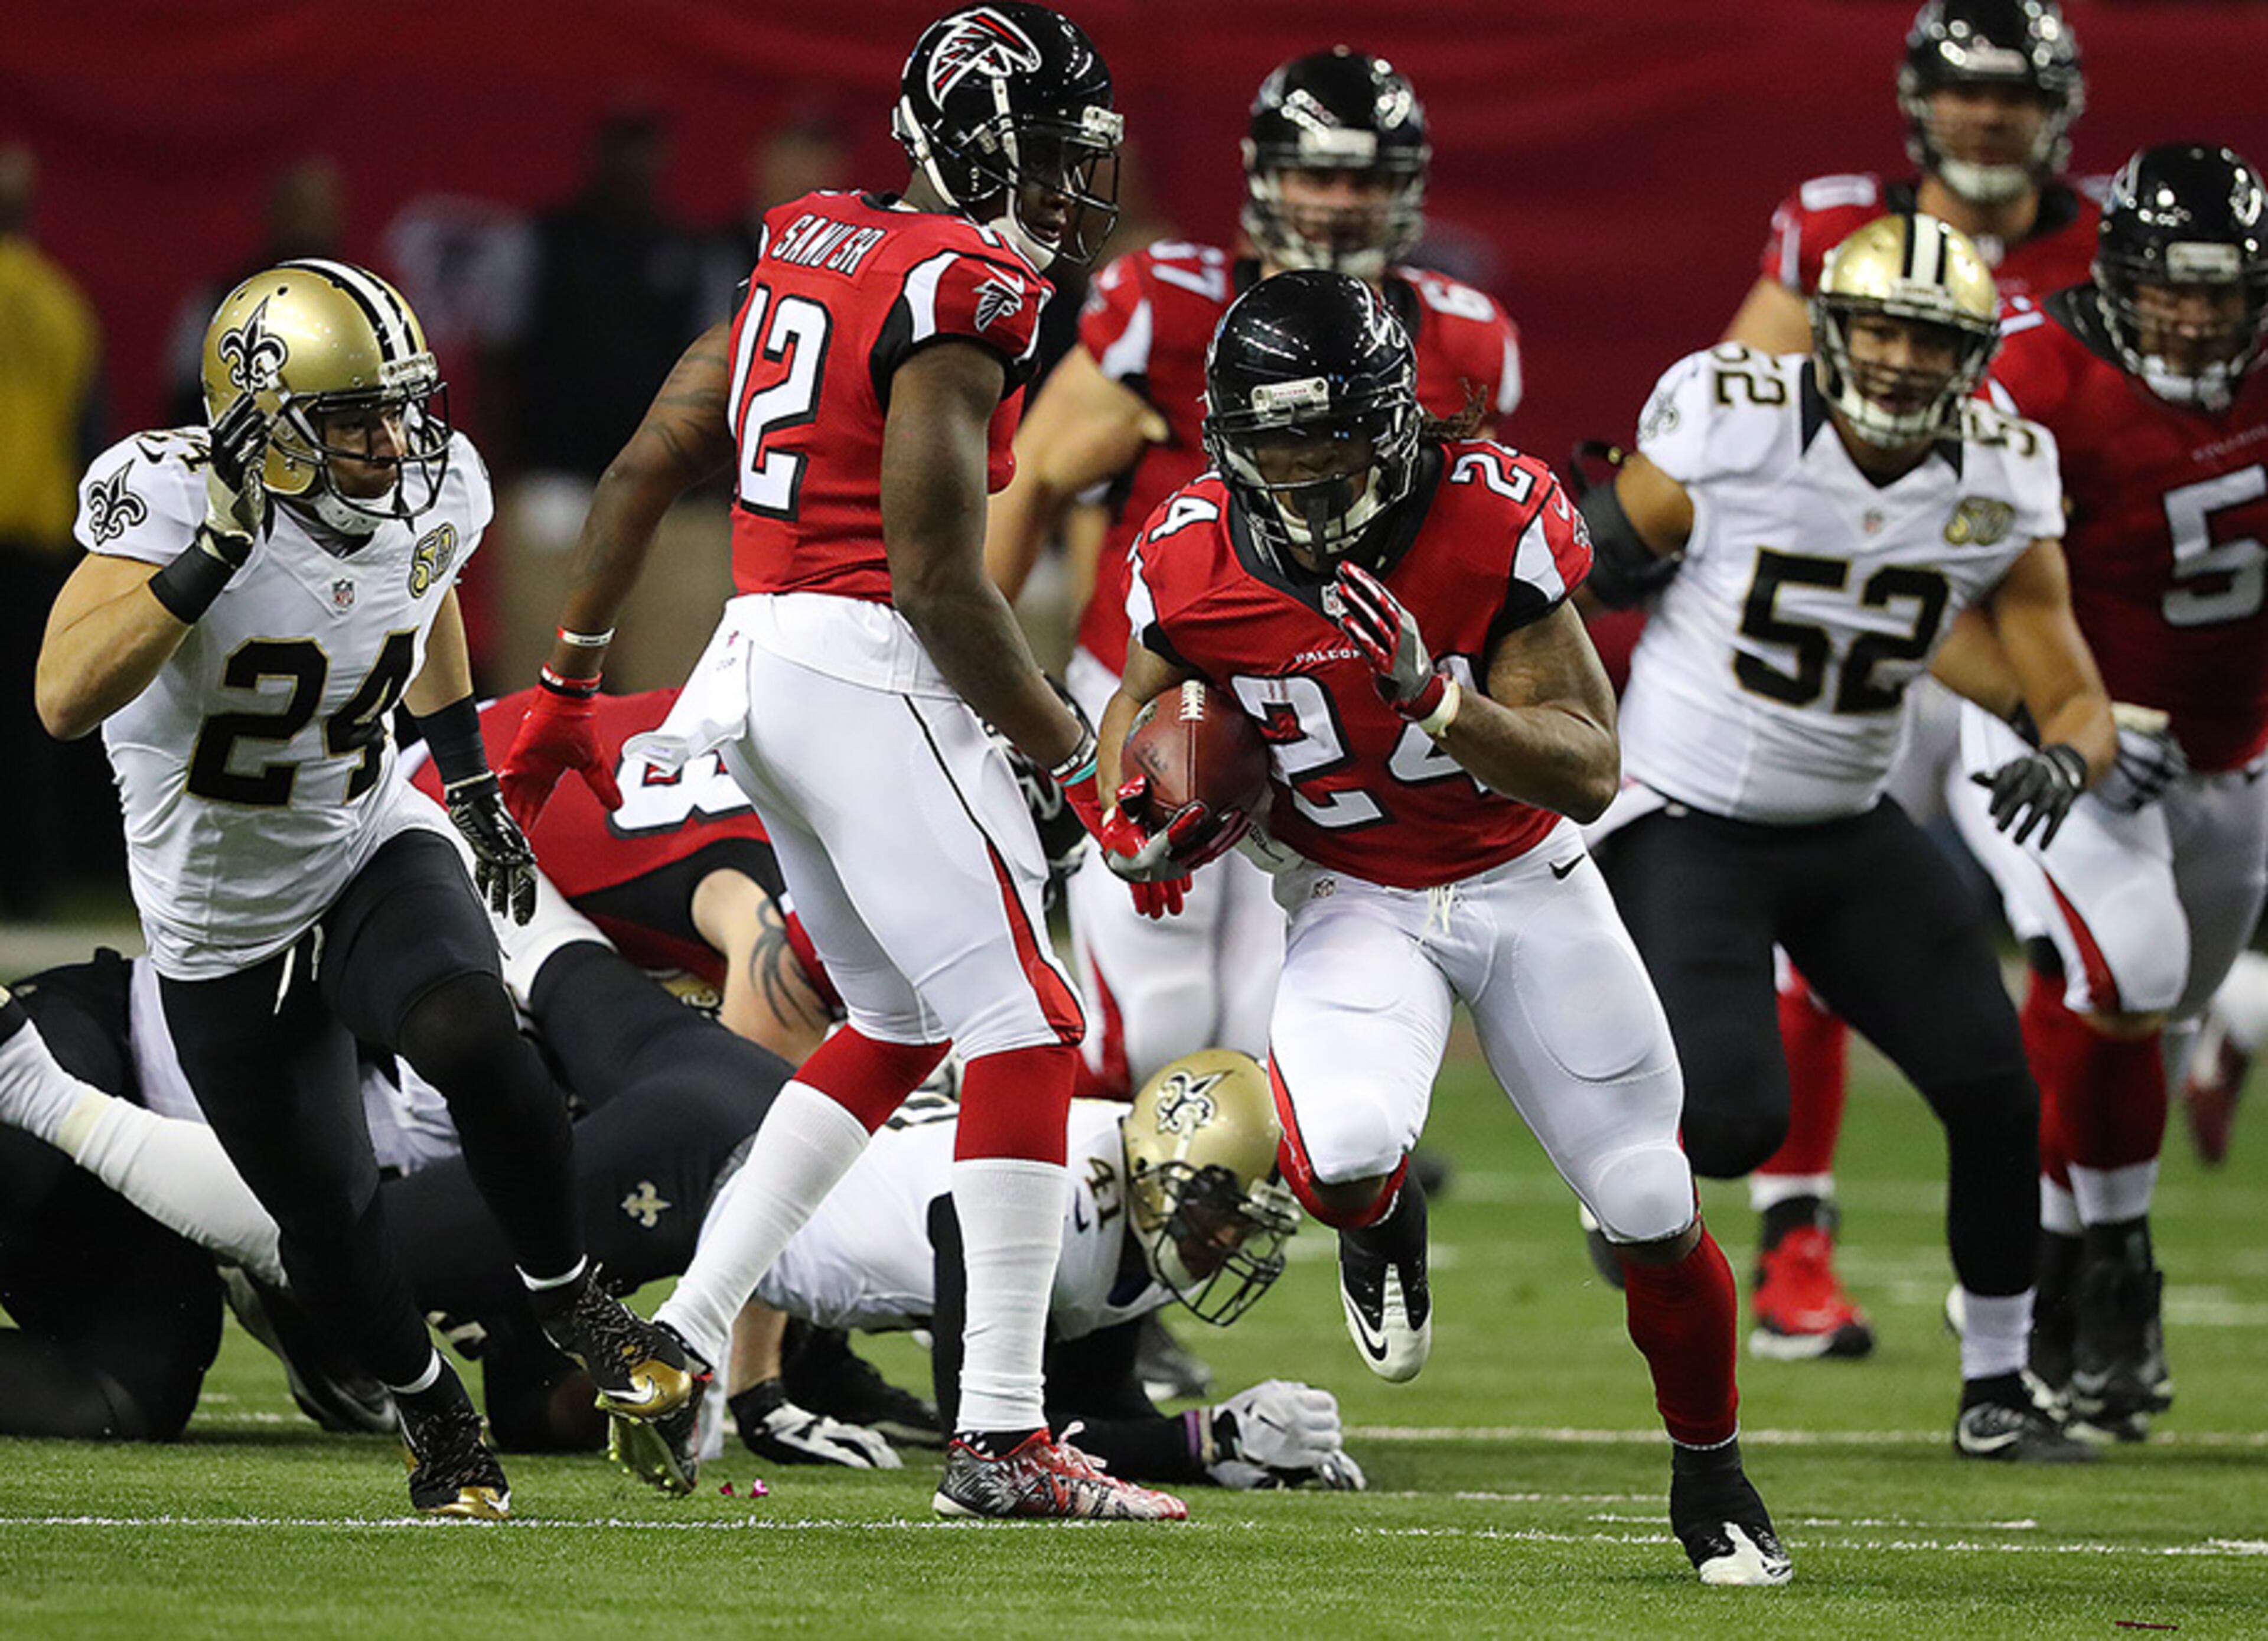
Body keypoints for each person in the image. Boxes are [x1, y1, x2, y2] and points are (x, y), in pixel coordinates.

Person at [498, 3, 1184, 1523]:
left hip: (764, 664)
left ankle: (682, 1340)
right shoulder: (965, 282)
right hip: (874, 663)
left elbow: (645, 463)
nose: (1077, 189)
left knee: (887, 1020)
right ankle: (1002, 1437)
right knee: (1027, 1025)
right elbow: (943, 577)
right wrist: (1073, 755)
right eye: (1057, 155)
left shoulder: (814, 241)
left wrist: (566, 678)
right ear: (979, 145)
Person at [1091, 269, 1788, 1586]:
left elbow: (1589, 766)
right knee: (1344, 1155)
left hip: (1524, 877)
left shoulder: (1490, 516)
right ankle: (1383, 1218)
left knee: (1649, 1199)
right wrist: (1149, 815)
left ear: (1391, 420)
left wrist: (1440, 703)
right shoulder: (1188, 554)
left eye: (1323, 433)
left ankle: (1715, 1480)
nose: (1295, 469)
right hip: (1353, 894)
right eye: (1270, 437)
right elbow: (1149, 723)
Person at [32, 258, 691, 1518]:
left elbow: (420, 594)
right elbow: (63, 699)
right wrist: (207, 566)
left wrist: (469, 778)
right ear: (261, 425)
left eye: (400, 408)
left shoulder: (432, 480)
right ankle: (432, 1412)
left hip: (363, 836)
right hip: (218, 916)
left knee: (473, 1033)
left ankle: (572, 1302)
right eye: (353, 420)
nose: (393, 443)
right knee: (323, 1222)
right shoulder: (167, 499)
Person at [1582, 212, 2118, 1463]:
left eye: (1930, 338)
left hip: (1847, 825)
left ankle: (1997, 1390)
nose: (1897, 358)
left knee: (1995, 1093)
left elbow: (2072, 692)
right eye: (1878, 326)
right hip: (1686, 819)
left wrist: (2068, 756)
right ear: (1826, 328)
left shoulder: (1996, 470)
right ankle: (1608, 1155)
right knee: (1728, 1127)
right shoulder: (1734, 418)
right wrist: (1601, 554)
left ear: (1974, 356)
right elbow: (1588, 555)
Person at [988, 45, 1521, 1103]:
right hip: (1167, 687)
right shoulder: (1171, 303)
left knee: (1271, 1025)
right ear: (1263, 174)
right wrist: (979, 678)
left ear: (1406, 188)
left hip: (1333, 710)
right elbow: (1037, 476)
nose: (1337, 203)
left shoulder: (1462, 337)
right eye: (1317, 172)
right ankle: (1076, 1230)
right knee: (1152, 1017)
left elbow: (1477, 535)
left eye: (1364, 177)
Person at [1715, 0, 2097, 1365]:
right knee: (1807, 929)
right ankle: (1795, 1248)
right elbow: (1745, 396)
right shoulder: (1831, 225)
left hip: (2015, 631)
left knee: (2081, 944)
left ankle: (2070, 1244)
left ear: (2057, 108)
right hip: (1849, 618)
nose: (1988, 117)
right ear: (1918, 100)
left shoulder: (2122, 246)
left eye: (2013, 94)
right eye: (1965, 90)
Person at [1941, 144, 2268, 1441]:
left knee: (2143, 1016)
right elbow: (1930, 608)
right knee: (2127, 980)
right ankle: (2122, 1286)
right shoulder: (2035, 377)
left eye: (2223, 289)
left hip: (2232, 750)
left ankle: (2057, 1275)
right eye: (2171, 289)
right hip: (2062, 752)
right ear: (2118, 275)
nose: (2197, 317)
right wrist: (2053, 717)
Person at [0, 144, 110, 918]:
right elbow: (89, 433)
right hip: (37, 539)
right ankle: (29, 888)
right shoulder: (64, 303)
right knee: (28, 725)